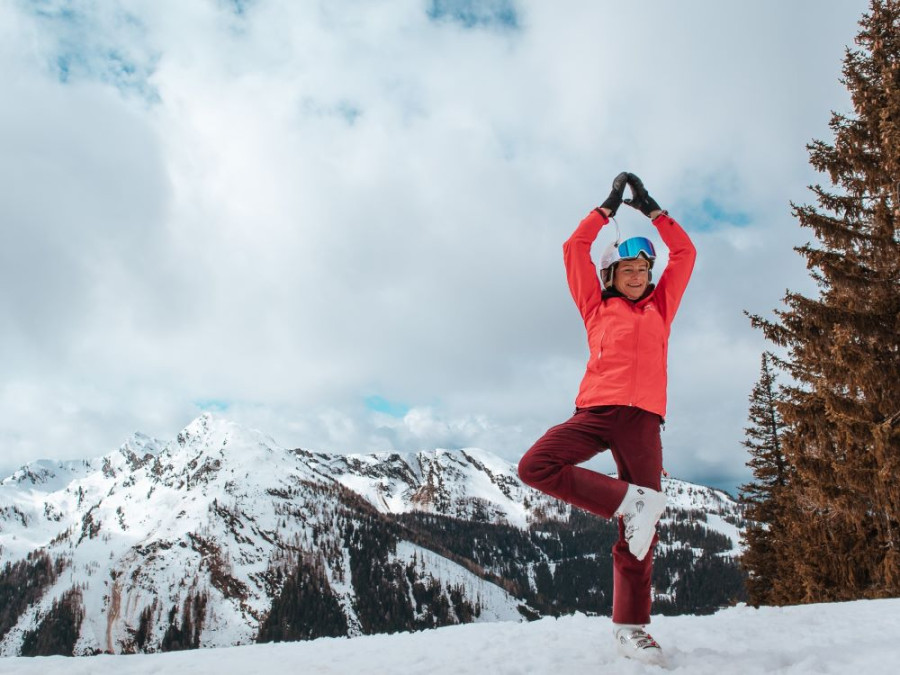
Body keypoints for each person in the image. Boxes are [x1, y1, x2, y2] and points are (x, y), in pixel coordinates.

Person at [517, 172, 696, 666]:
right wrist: (609, 208)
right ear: (610, 276)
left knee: (642, 533)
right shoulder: (595, 307)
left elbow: (686, 254)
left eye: (643, 268)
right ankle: (631, 502)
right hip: (597, 411)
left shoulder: (662, 307)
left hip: (643, 422)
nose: (637, 276)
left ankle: (631, 629)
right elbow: (574, 247)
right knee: (535, 466)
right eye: (626, 269)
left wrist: (655, 211)